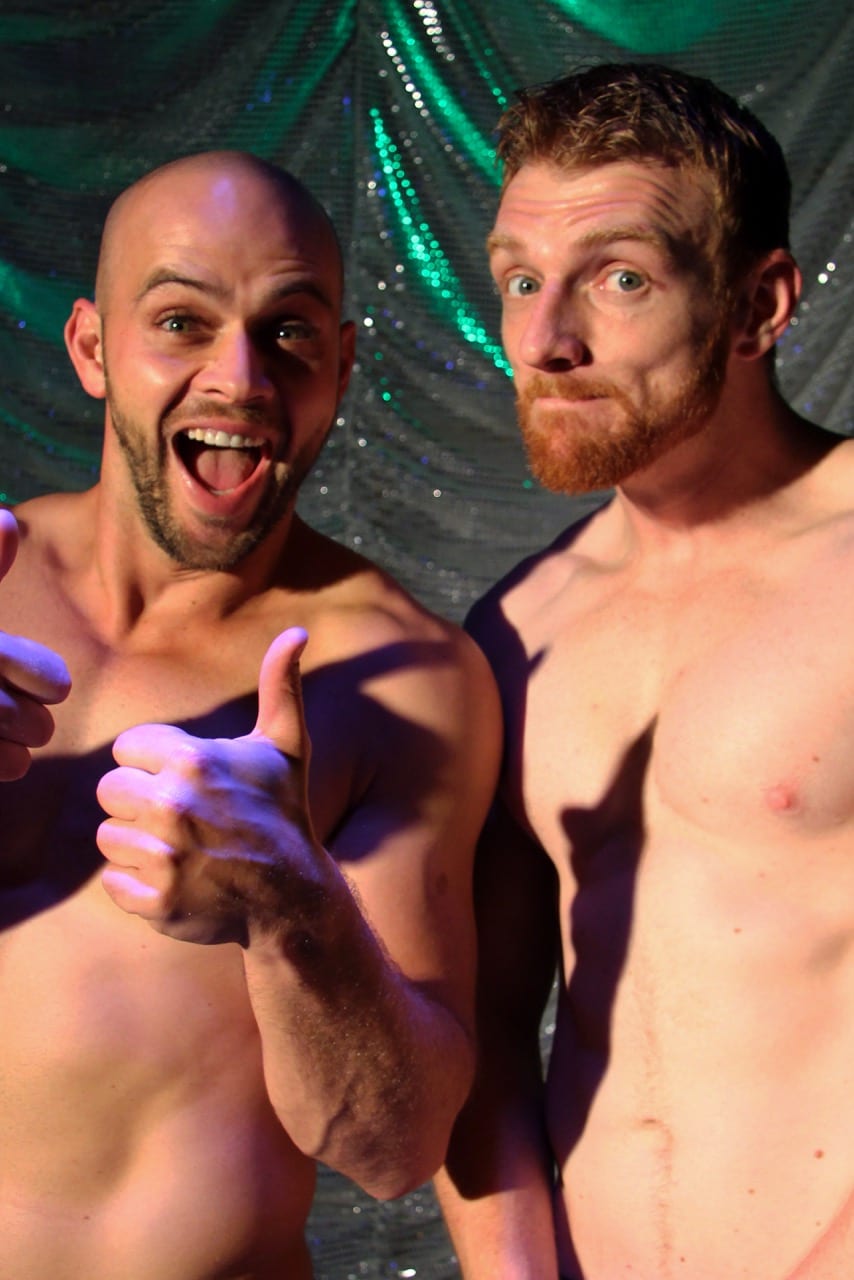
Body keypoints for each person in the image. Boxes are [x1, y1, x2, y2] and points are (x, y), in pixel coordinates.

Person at [0, 150, 501, 1280]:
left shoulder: (406, 679)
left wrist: (295, 906)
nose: (239, 378)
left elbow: (394, 1147)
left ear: (341, 364)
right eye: (182, 322)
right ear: (92, 347)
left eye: (287, 332)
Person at [434, 63, 853, 1280]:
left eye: (618, 278)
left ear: (756, 303)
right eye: (520, 279)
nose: (543, 341)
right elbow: (482, 1038)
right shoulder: (513, 631)